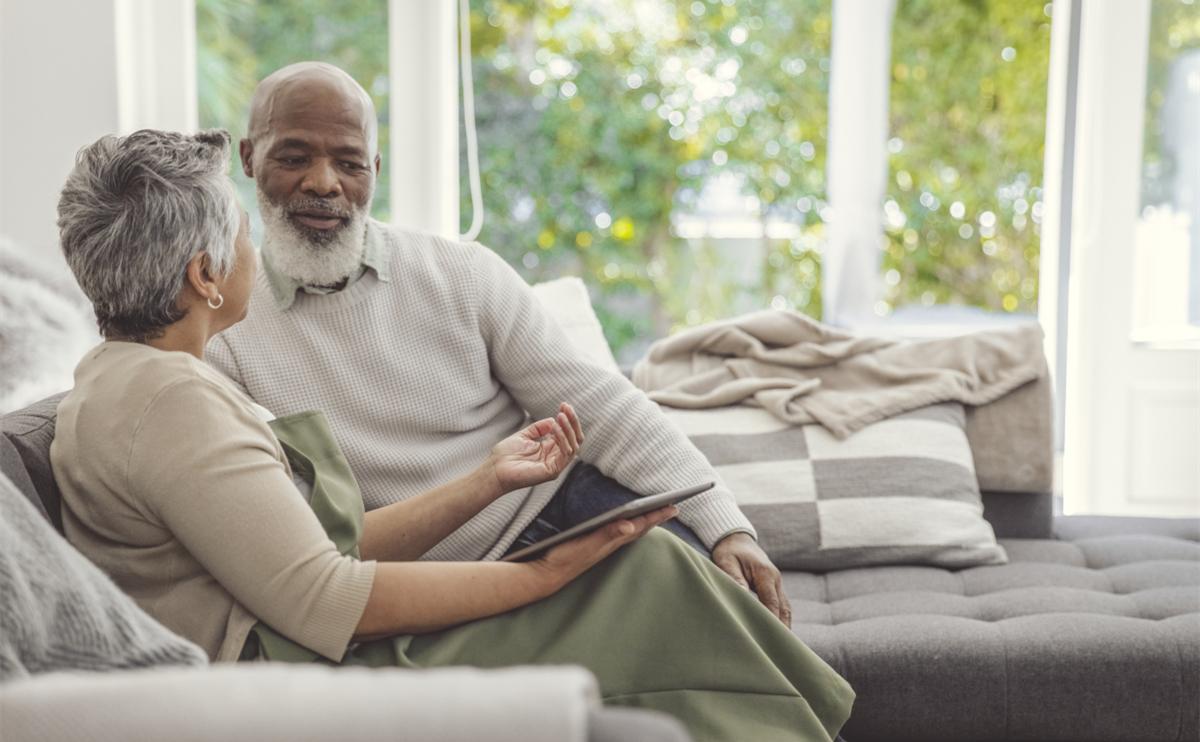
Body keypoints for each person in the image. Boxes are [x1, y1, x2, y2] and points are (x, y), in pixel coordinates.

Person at [50, 128, 854, 742]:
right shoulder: (170, 402)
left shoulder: (132, 382)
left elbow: (324, 551)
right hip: (311, 670)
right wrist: (547, 575)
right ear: (203, 277)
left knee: (646, 565)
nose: (252, 249)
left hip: (308, 641)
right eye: (238, 231)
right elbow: (330, 597)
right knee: (643, 574)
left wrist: (488, 480)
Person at [206, 61, 793, 623]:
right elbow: (295, 536)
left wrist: (725, 524)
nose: (323, 183)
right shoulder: (222, 334)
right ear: (251, 160)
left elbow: (598, 404)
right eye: (294, 156)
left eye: (349, 163)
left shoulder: (462, 273)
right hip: (418, 585)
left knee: (730, 615)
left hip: (562, 510)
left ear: (375, 171)